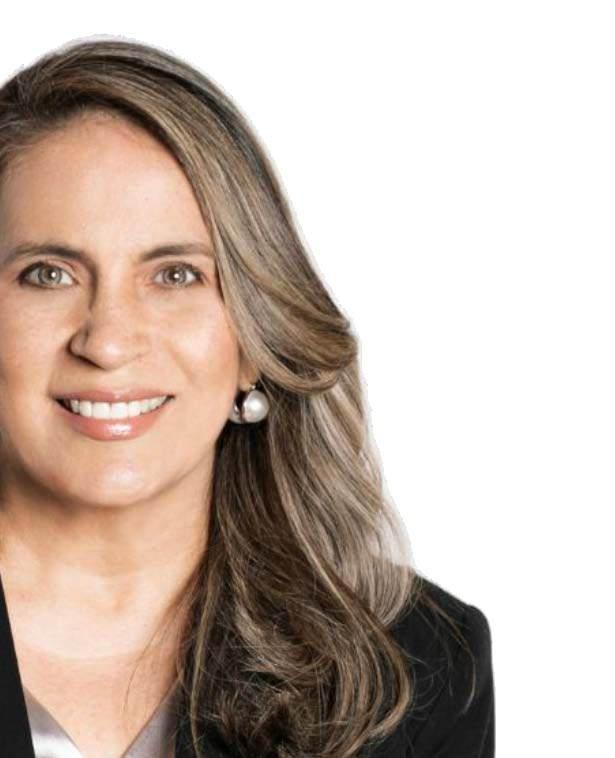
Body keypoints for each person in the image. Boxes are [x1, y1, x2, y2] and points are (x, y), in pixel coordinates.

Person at [0, 37, 495, 757]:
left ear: (256, 339)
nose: (106, 342)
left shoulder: (415, 666)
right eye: (49, 274)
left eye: (175, 275)